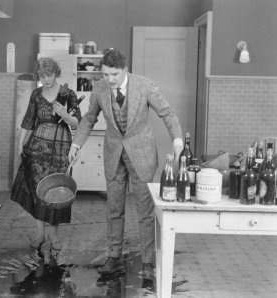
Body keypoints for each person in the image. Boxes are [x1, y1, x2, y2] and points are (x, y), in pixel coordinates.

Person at [68, 49, 183, 279]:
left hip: (142, 154)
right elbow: (89, 118)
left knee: (145, 211)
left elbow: (167, 113)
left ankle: (149, 261)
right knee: (114, 209)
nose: (110, 79)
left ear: (125, 70)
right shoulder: (100, 88)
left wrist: (177, 139)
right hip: (113, 153)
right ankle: (113, 256)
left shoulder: (145, 86)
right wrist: (76, 144)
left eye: (114, 74)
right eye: (106, 74)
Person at [11, 57, 81, 257]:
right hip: (36, 150)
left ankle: (54, 236)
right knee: (38, 192)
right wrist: (20, 145)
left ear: (55, 73)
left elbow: (78, 123)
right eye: (42, 76)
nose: (46, 79)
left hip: (60, 151)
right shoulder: (36, 94)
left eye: (49, 75)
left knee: (57, 192)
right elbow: (28, 121)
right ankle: (40, 234)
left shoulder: (68, 94)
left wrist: (64, 114)